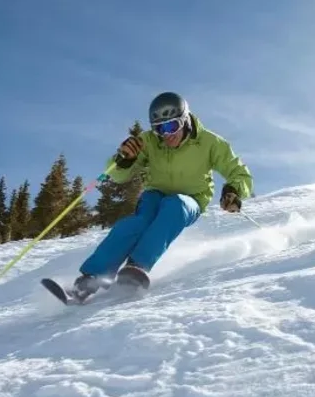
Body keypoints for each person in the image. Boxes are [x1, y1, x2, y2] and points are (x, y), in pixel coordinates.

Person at [72, 91, 253, 299]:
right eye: (159, 129)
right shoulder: (148, 142)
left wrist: (234, 190)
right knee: (138, 223)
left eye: (171, 126)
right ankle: (90, 278)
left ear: (185, 120)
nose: (166, 134)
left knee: (175, 206)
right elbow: (118, 176)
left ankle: (136, 267)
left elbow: (238, 171)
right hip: (155, 194)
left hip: (191, 198)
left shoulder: (209, 142)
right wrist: (125, 159)